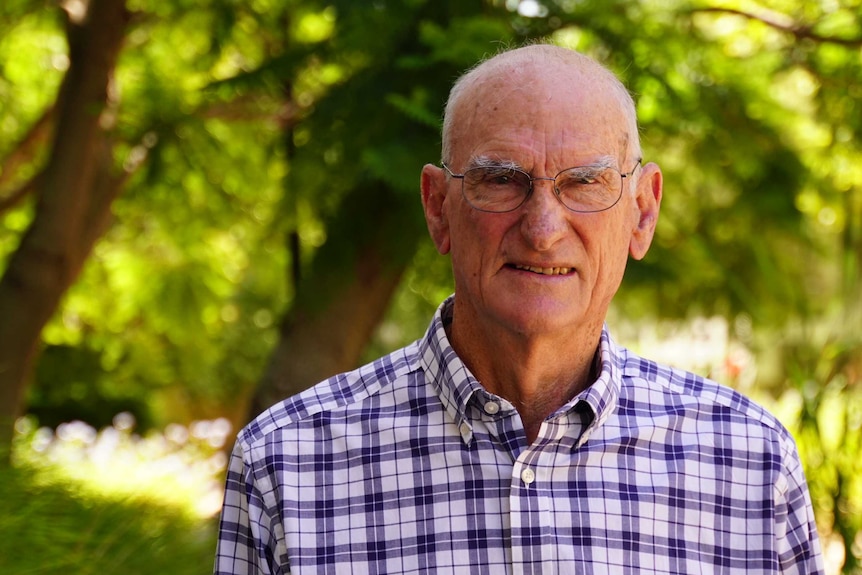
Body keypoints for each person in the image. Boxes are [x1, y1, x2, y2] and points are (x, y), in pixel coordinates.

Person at [214, 44, 824, 574]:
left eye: (584, 183)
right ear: (437, 208)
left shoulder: (748, 463)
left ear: (643, 212)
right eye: (502, 180)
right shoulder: (287, 465)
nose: (542, 229)